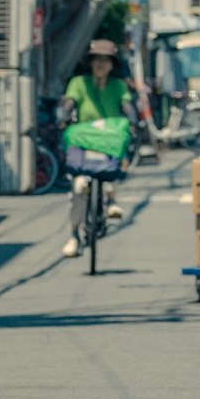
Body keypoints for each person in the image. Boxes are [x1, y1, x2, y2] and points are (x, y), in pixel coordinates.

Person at [59, 39, 136, 258]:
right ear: (90, 62)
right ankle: (74, 234)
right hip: (85, 137)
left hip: (109, 138)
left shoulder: (118, 86)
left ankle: (111, 199)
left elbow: (127, 105)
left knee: (112, 165)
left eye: (105, 60)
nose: (101, 64)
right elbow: (69, 102)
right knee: (77, 189)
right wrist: (64, 114)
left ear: (112, 64)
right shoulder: (79, 83)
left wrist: (132, 119)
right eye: (97, 59)